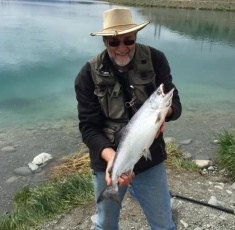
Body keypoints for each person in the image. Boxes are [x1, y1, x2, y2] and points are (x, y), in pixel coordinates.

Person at [74, 7, 182, 230]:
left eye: (128, 40)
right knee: (106, 224)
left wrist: (164, 114)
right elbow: (88, 128)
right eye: (114, 43)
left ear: (135, 37)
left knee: (164, 225)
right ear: (105, 42)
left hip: (150, 161)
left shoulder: (156, 59)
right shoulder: (87, 75)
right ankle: (114, 188)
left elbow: (176, 105)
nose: (122, 48)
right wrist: (112, 159)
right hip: (108, 163)